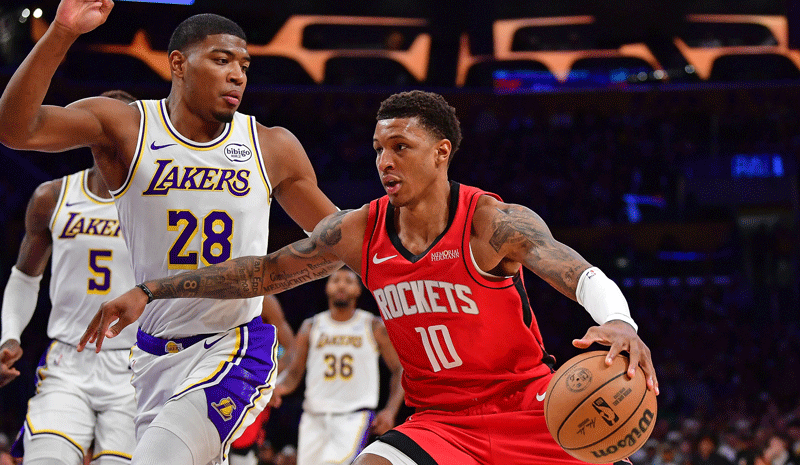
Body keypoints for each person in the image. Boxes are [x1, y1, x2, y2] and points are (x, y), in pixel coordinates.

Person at [82, 90, 659, 465]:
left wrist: (619, 321)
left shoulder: (490, 222)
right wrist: (153, 288)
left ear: (441, 152)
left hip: (531, 405)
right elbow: (265, 272)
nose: (384, 160)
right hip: (439, 422)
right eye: (378, 147)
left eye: (400, 147)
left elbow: (571, 268)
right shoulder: (359, 231)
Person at [0, 1, 339, 464]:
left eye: (244, 65)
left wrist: (270, 275)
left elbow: (337, 243)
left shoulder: (270, 145)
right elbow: (16, 128)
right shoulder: (127, 126)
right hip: (151, 357)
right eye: (221, 60)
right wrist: (61, 31)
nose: (237, 74)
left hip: (233, 348)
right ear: (178, 64)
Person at [0, 89, 138, 464]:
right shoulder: (52, 196)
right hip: (69, 360)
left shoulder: (160, 202)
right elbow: (25, 277)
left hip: (137, 365)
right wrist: (9, 335)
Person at [269, 267, 404, 465]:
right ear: (327, 288)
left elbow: (400, 370)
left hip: (353, 417)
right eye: (336, 280)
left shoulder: (372, 325)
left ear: (359, 289)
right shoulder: (311, 326)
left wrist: (390, 410)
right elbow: (294, 373)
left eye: (348, 281)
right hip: (313, 417)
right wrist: (276, 387)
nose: (341, 284)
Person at [229, 295, 297, 465]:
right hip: (207, 377)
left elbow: (290, 349)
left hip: (247, 386)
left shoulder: (265, 301)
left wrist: (268, 380)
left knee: (241, 452)